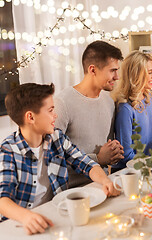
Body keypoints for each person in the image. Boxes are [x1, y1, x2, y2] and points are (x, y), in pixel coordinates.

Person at [0, 83, 120, 235]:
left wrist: (105, 180)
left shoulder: (56, 137)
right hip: (19, 225)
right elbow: (2, 200)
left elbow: (85, 163)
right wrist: (26, 217)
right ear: (30, 117)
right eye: (50, 110)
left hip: (54, 216)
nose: (55, 115)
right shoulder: (8, 150)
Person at [55, 41, 124, 187]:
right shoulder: (62, 103)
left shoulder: (109, 100)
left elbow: (107, 148)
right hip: (74, 192)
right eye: (112, 70)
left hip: (104, 185)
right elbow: (54, 158)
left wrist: (114, 153)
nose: (117, 77)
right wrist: (98, 158)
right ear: (92, 70)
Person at [111, 51, 152, 172]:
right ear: (136, 75)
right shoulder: (125, 108)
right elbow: (126, 155)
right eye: (150, 73)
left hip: (146, 165)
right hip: (128, 171)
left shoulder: (149, 98)